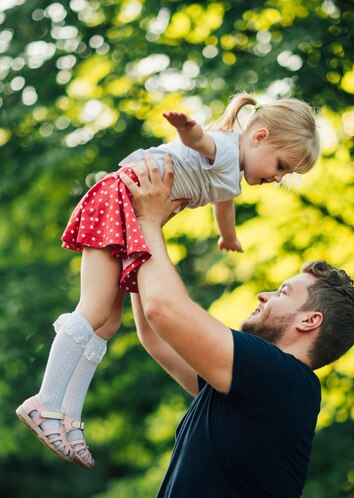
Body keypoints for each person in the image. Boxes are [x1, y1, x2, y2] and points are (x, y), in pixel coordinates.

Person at [122, 157, 354, 498]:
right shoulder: (248, 385)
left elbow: (165, 311)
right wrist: (138, 238)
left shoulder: (281, 380)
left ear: (309, 321)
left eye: (282, 291)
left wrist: (148, 222)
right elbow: (156, 335)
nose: (263, 295)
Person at [16, 93, 320, 469]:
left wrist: (228, 236)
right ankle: (45, 401)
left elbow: (224, 204)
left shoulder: (230, 175)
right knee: (93, 310)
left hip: (131, 208)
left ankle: (68, 416)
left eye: (286, 174)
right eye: (281, 165)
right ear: (257, 137)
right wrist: (186, 127)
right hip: (121, 199)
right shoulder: (224, 150)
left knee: (108, 324)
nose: (278, 177)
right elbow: (200, 140)